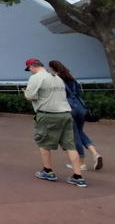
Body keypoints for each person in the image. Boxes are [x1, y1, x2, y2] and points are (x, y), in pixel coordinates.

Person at [23, 59, 86, 187]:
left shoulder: (36, 78)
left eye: (29, 69)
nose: (30, 71)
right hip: (65, 114)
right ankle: (78, 176)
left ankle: (48, 171)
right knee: (70, 145)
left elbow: (30, 97)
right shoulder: (57, 78)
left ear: (31, 67)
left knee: (44, 142)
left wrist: (25, 93)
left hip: (47, 114)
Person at [48, 60, 103, 172]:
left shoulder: (56, 79)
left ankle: (81, 162)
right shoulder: (72, 78)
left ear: (52, 69)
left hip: (68, 107)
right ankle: (95, 153)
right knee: (80, 131)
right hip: (80, 107)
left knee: (75, 134)